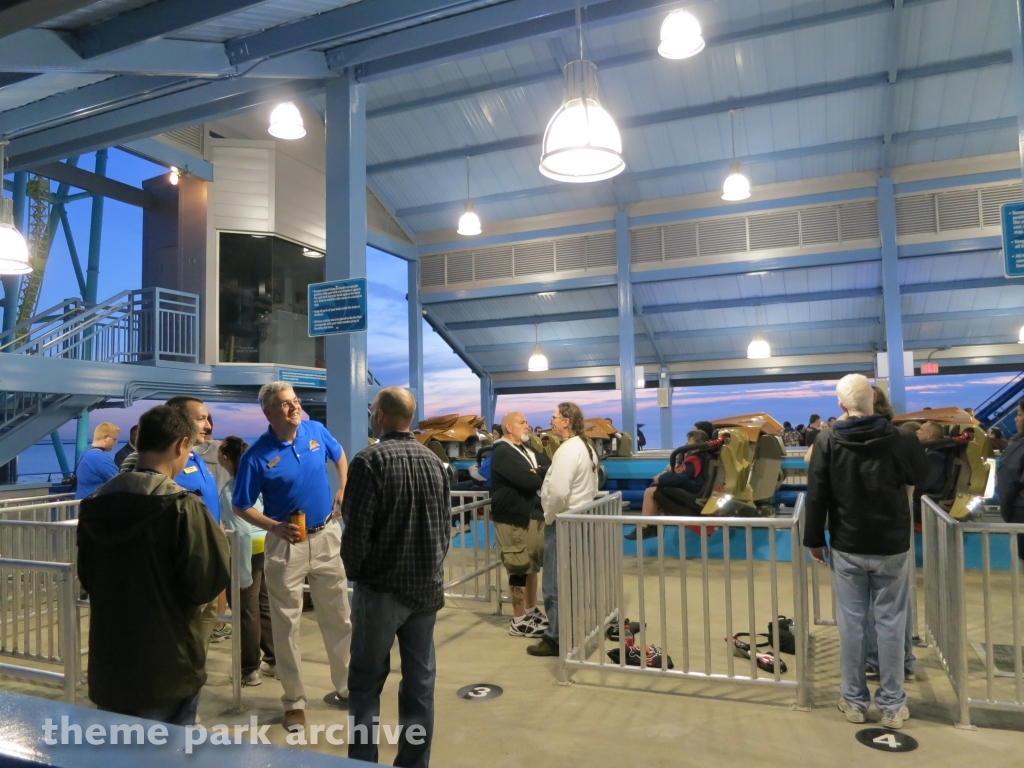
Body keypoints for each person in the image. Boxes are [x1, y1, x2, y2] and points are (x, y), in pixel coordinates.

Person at [77, 405, 230, 725]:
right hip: (168, 669)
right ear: (180, 445)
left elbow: (88, 577)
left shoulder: (93, 506)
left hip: (110, 669)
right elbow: (207, 582)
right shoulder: (183, 507)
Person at [804, 374, 929, 730]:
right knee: (891, 623)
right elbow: (922, 472)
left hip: (847, 545)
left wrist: (815, 539)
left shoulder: (828, 440)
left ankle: (854, 701)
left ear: (841, 406)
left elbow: (817, 493)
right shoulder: (902, 438)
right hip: (892, 545)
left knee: (852, 624)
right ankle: (892, 705)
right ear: (874, 399)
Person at [231, 382, 351, 733]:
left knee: (339, 615)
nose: (293, 407)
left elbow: (339, 453)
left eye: (295, 401)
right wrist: (273, 526)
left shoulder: (315, 430)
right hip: (287, 545)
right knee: (286, 626)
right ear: (268, 412)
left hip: (327, 535)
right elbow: (240, 504)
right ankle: (294, 701)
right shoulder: (257, 456)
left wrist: (343, 484)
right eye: (285, 404)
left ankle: (345, 687)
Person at [342, 387, 449, 768]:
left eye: (372, 409)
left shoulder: (369, 461)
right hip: (426, 592)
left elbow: (355, 533)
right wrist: (432, 572)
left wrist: (357, 575)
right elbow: (443, 529)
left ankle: (362, 761)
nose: (371, 414)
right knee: (419, 684)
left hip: (382, 592)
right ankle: (414, 762)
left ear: (382, 416)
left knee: (366, 685)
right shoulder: (434, 462)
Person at [527, 402, 599, 657]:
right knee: (572, 581)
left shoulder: (567, 450)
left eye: (555, 417)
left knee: (554, 584)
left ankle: (556, 638)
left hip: (564, 522)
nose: (552, 421)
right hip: (580, 521)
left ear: (566, 421)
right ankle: (571, 631)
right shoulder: (586, 447)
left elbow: (558, 492)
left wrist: (549, 516)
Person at [218, 436, 276, 687]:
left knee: (245, 610)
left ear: (226, 458)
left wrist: (241, 572)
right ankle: (275, 660)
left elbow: (240, 530)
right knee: (263, 605)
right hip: (266, 546)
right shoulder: (256, 482)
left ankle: (250, 670)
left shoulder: (232, 489)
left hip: (247, 551)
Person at [489, 411, 551, 637]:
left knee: (532, 565)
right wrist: (538, 473)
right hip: (513, 519)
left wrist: (539, 471)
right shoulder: (503, 452)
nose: (527, 425)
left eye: (527, 421)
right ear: (508, 428)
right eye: (522, 422)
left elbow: (549, 467)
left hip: (533, 515)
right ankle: (518, 620)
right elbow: (529, 481)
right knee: (518, 565)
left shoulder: (527, 450)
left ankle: (531, 610)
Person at [626, 429, 708, 540]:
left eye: (689, 440)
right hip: (693, 488)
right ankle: (651, 526)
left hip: (691, 494)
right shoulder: (702, 457)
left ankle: (644, 527)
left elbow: (677, 477)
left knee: (650, 492)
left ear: (697, 444)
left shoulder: (694, 460)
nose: (686, 443)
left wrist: (660, 479)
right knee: (655, 490)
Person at [996, 398, 1024, 561]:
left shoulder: (1018, 448)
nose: (1016, 418)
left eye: (1019, 413)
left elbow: (1008, 484)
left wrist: (1007, 512)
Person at [74, 422, 121, 500]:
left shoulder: (87, 451)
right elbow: (120, 481)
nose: (116, 442)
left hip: (83, 505)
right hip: (93, 507)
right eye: (115, 439)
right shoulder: (98, 457)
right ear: (105, 437)